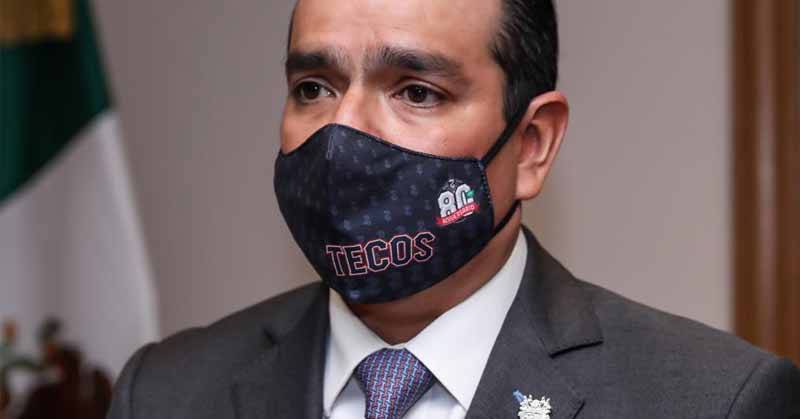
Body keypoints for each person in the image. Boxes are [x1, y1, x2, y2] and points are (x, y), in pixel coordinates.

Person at [107, 0, 800, 418]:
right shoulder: (164, 393)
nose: (343, 135)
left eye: (416, 92)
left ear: (532, 145)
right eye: (314, 87)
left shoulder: (713, 401)